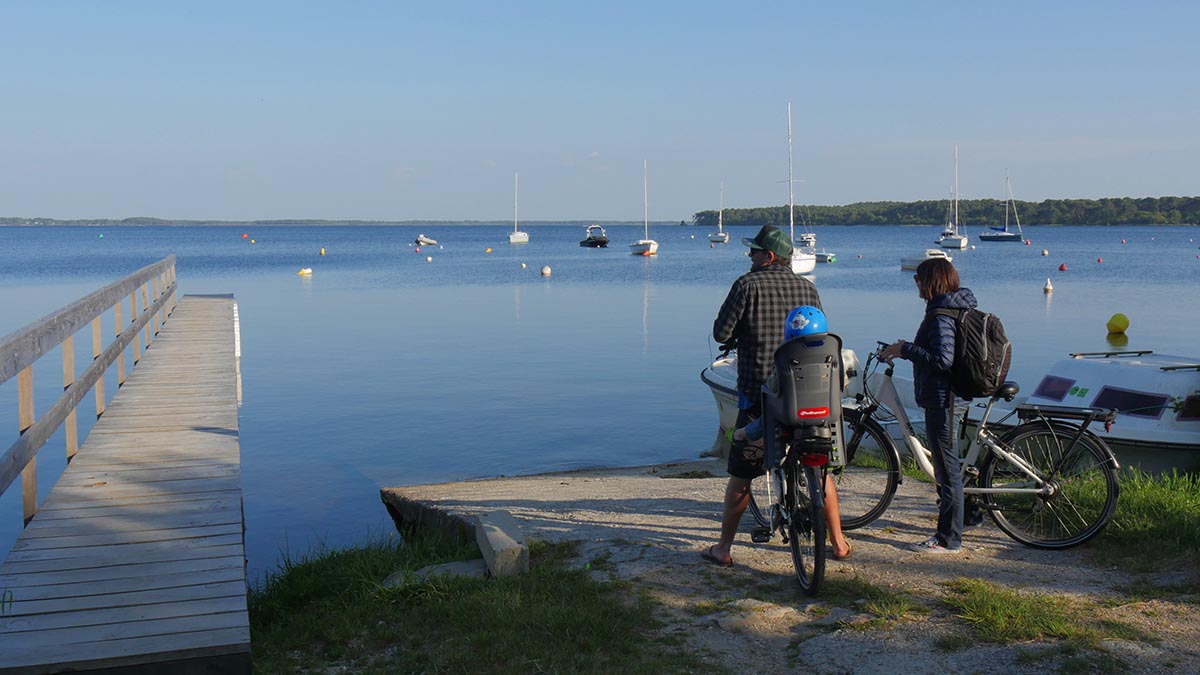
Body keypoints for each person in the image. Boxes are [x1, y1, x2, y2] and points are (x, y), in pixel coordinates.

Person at [701, 226, 852, 567]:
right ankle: (839, 542)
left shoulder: (746, 284)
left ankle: (723, 549)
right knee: (821, 469)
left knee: (741, 474)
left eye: (754, 251)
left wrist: (743, 332)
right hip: (809, 394)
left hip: (760, 394)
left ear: (768, 256)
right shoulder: (807, 288)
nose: (749, 257)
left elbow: (721, 332)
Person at [879, 257, 976, 554]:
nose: (916, 284)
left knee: (946, 471)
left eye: (919, 278)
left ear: (931, 281)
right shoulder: (955, 307)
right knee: (949, 466)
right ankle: (968, 517)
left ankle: (949, 539)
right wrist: (908, 348)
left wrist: (905, 349)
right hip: (951, 397)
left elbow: (943, 360)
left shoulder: (941, 314)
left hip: (944, 400)